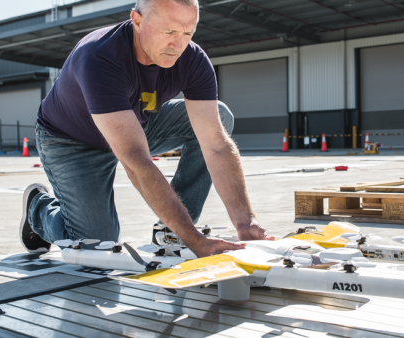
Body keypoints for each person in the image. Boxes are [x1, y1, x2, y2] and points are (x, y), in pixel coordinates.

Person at [19, 0, 274, 258]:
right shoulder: (99, 57)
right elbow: (136, 162)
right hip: (72, 141)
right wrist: (194, 240)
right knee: (97, 247)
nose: (179, 45)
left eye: (188, 33)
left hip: (135, 122)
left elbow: (216, 147)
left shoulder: (193, 60)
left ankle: (171, 230)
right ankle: (38, 209)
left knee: (218, 116)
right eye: (169, 32)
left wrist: (245, 221)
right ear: (137, 21)